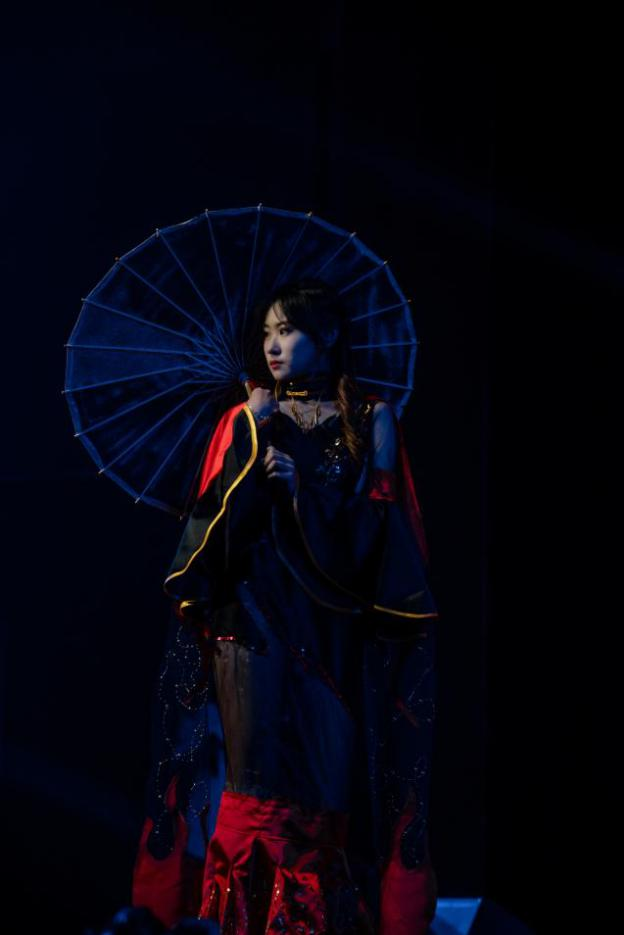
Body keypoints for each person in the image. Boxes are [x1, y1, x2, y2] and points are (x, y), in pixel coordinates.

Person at [131, 278, 440, 934]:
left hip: (332, 624)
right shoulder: (245, 417)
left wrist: (303, 492)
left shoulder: (371, 418)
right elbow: (213, 540)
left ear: (326, 336)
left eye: (288, 331)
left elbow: (376, 540)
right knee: (257, 786)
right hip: (252, 616)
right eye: (268, 332)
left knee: (323, 792)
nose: (272, 345)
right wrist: (251, 436)